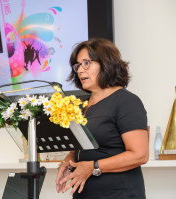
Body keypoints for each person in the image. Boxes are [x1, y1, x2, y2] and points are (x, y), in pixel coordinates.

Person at [55, 38, 149, 199]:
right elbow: (79, 149)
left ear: (106, 63)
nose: (80, 70)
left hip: (119, 194)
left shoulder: (126, 101)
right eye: (78, 65)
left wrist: (93, 166)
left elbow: (139, 154)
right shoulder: (81, 105)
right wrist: (67, 162)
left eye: (87, 63)